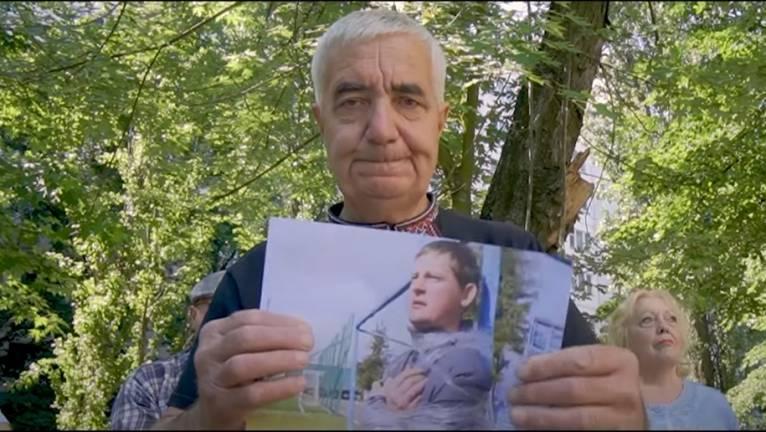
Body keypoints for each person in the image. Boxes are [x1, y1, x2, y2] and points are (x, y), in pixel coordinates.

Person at [154, 9, 646, 430]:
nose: (382, 130)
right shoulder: (257, 276)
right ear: (321, 121)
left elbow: (599, 411)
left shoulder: (516, 255)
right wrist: (206, 416)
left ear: (440, 120)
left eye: (408, 101)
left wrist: (630, 415)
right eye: (352, 102)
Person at [361, 240, 493, 429]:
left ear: (466, 295)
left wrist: (386, 411)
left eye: (433, 278)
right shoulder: (403, 360)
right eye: (414, 277)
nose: (417, 287)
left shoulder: (465, 367)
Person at [607, 289, 739, 430]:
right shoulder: (607, 412)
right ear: (625, 339)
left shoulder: (715, 405)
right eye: (647, 320)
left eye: (671, 319)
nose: (663, 327)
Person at [110, 271, 225, 430]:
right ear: (193, 316)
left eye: (243, 309)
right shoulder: (149, 382)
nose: (233, 319)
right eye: (219, 309)